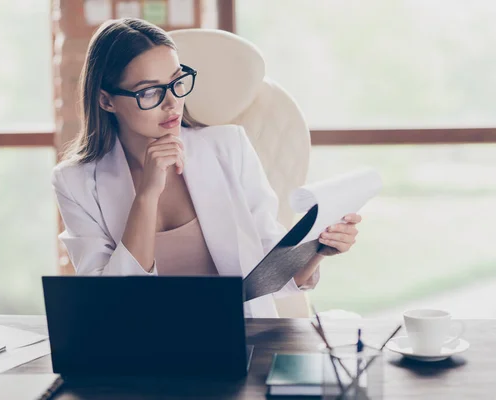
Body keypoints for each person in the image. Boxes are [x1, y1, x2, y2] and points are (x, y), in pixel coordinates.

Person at [52, 18, 362, 318]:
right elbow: (109, 301)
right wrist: (146, 195)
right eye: (149, 92)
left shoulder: (229, 146)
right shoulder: (74, 181)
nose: (172, 103)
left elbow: (269, 266)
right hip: (141, 346)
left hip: (237, 340)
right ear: (106, 101)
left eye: (176, 83)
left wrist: (318, 249)